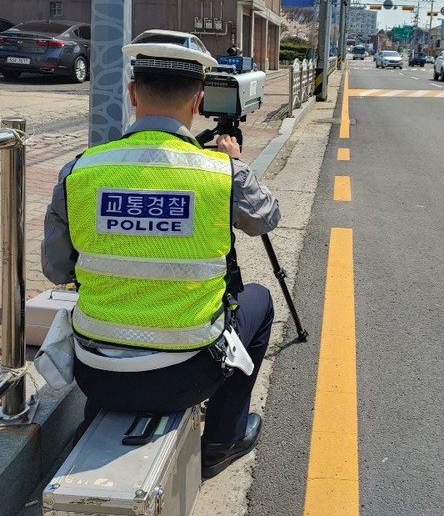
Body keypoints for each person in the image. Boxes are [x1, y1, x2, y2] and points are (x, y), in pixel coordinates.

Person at [41, 35, 280, 478]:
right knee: (260, 302)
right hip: (188, 376)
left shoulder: (80, 170)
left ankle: (99, 421)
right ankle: (221, 442)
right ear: (199, 99)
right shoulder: (221, 173)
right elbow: (266, 220)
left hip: (94, 371)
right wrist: (235, 164)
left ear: (132, 93)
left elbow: (56, 270)